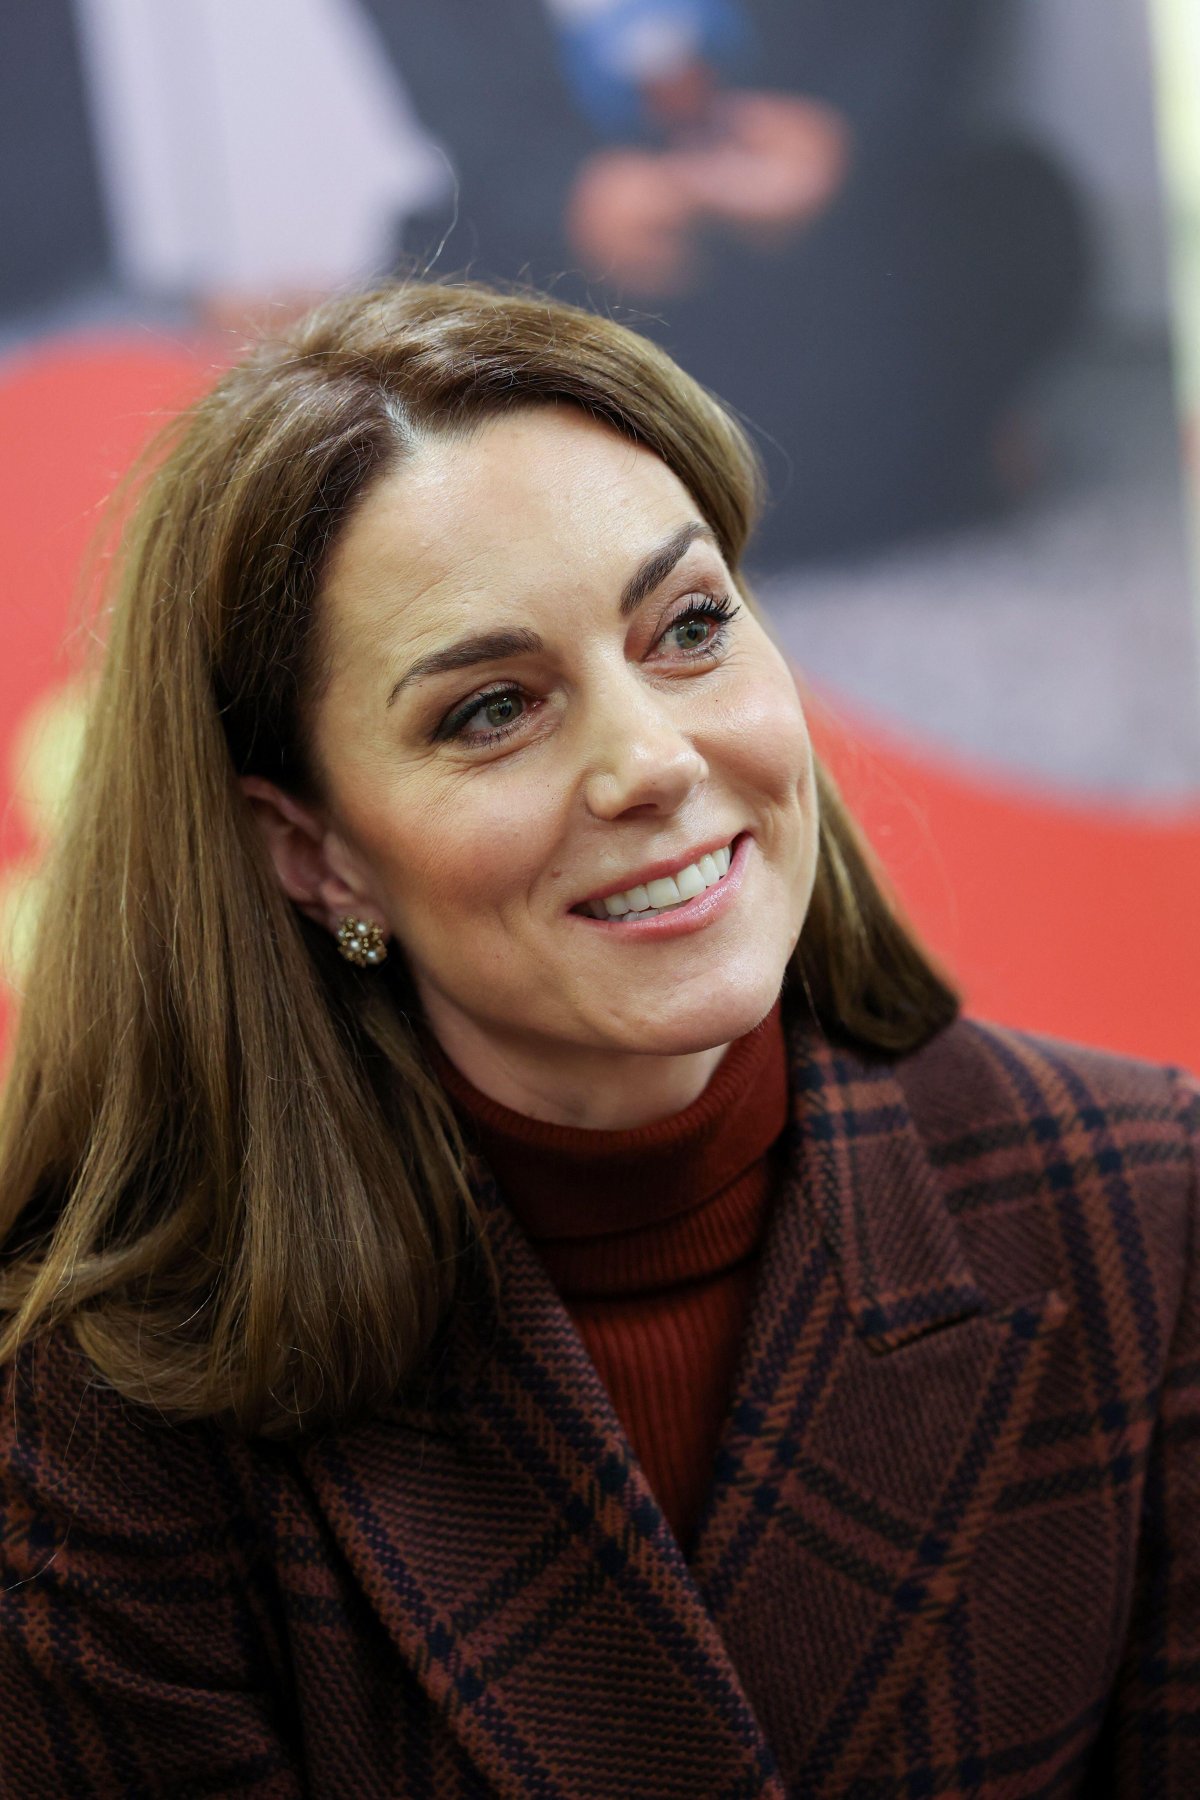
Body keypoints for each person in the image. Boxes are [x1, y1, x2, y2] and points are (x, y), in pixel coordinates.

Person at [0, 282, 1194, 1798]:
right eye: (492, 709)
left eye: (690, 627)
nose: (650, 759)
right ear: (314, 856)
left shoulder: (1150, 1210)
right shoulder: (101, 1406)